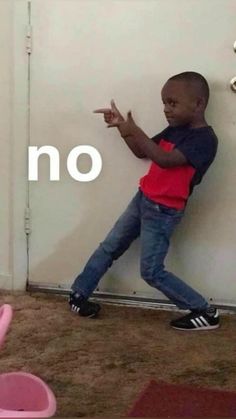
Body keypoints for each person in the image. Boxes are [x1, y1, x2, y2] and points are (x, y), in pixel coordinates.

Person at [69, 71, 219, 331]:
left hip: (164, 211)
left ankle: (204, 311)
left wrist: (134, 129)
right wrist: (123, 130)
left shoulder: (205, 140)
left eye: (172, 103)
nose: (166, 109)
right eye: (164, 103)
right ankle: (79, 294)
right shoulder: (174, 130)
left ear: (198, 104)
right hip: (144, 198)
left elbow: (164, 159)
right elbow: (143, 151)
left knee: (151, 271)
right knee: (110, 247)